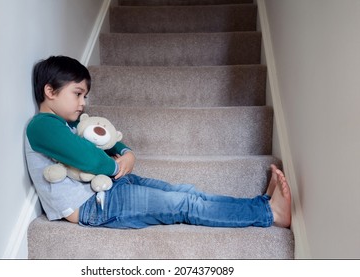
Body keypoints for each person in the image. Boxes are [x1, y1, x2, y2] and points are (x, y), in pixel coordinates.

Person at [25, 55, 291, 229]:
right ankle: (270, 215)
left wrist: (126, 152)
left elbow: (103, 137)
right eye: (78, 94)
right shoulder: (42, 126)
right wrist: (117, 168)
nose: (83, 102)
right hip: (94, 206)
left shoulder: (69, 122)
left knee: (188, 192)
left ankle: (261, 205)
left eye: (85, 95)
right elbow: (89, 159)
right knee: (184, 205)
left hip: (111, 187)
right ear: (50, 91)